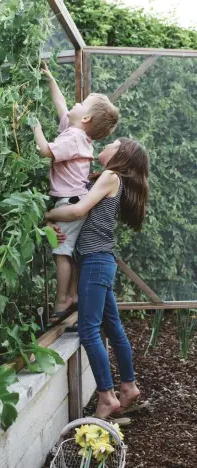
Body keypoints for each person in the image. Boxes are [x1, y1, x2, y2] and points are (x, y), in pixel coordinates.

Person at [45, 137, 149, 419]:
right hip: (101, 262)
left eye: (113, 143)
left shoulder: (111, 176)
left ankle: (106, 396)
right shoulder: (110, 179)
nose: (105, 144)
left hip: (95, 262)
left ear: (120, 155)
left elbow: (79, 210)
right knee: (112, 326)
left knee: (89, 330)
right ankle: (128, 387)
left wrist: (45, 215)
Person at [31, 62, 119, 319]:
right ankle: (72, 295)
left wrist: (34, 126)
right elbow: (61, 104)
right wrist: (49, 78)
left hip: (68, 202)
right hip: (72, 198)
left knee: (61, 252)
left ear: (85, 118)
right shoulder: (76, 133)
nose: (74, 103)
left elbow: (45, 151)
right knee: (66, 250)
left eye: (81, 103)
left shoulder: (73, 139)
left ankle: (62, 300)